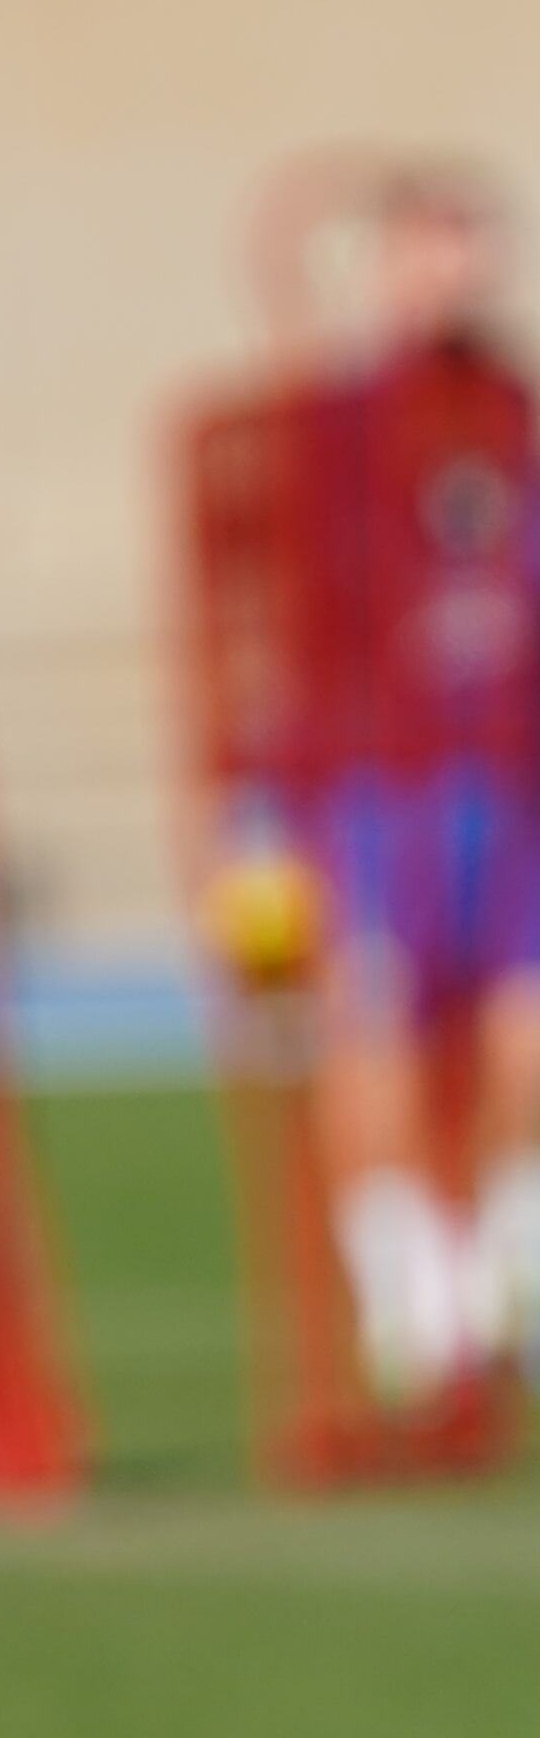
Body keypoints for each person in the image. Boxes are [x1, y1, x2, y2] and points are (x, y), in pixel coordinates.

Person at [249, 159, 540, 1397]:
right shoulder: (330, 428)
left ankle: (501, 1264)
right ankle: (403, 1286)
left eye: (468, 246)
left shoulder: (511, 413)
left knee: (521, 1043)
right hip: (370, 790)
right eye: (431, 246)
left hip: (503, 779)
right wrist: (257, 812)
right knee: (367, 1034)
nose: (455, 271)